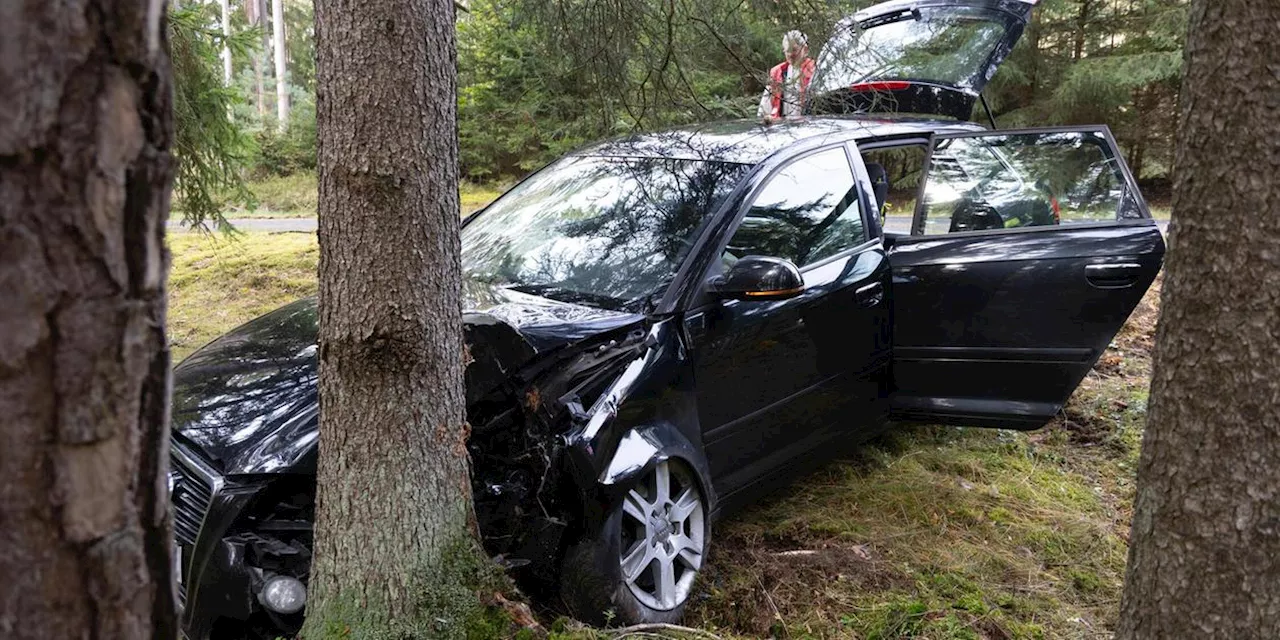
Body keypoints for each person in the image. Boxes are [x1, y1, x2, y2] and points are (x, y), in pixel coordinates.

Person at [758, 30, 816, 122]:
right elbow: (765, 109)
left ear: (805, 49)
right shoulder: (777, 72)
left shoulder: (815, 71)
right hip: (782, 126)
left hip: (807, 124)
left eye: (794, 50)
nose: (790, 54)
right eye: (787, 50)